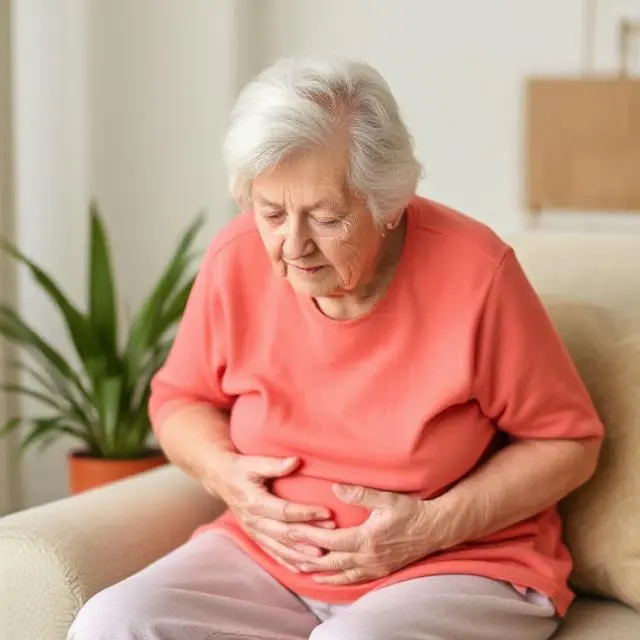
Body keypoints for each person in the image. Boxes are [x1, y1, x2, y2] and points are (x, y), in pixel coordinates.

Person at [68, 56, 604, 640]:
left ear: (390, 205)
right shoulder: (235, 257)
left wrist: (432, 525)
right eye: (271, 213)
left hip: (454, 566)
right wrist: (224, 474)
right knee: (113, 624)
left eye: (326, 218)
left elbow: (568, 441)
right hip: (267, 565)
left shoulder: (477, 274)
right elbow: (179, 400)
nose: (292, 245)